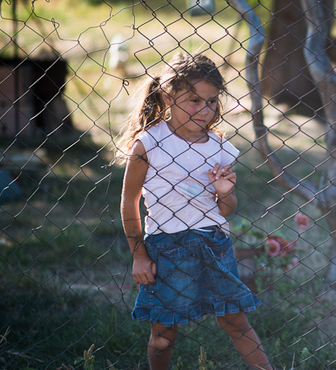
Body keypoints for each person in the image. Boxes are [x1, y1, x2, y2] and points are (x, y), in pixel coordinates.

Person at [118, 53, 272, 370]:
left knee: (235, 321)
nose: (205, 110)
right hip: (167, 246)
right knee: (163, 332)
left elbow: (226, 210)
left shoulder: (219, 147)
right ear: (167, 96)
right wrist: (139, 255)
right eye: (194, 100)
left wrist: (224, 192)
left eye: (212, 102)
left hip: (214, 242)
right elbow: (129, 201)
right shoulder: (149, 144)